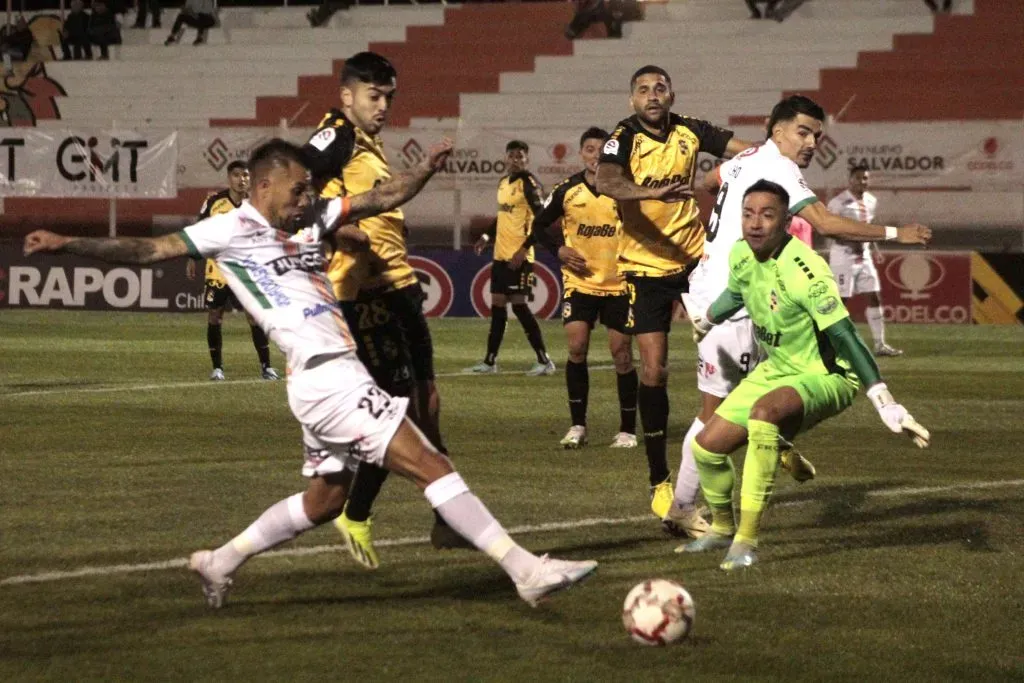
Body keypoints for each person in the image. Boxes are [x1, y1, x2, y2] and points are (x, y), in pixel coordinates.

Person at [23, 138, 598, 610]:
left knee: (324, 502)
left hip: (320, 378)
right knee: (430, 463)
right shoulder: (229, 230)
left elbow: (380, 197)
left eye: (308, 190)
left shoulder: (309, 221)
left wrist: (423, 168)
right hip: (330, 380)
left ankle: (219, 561)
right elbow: (149, 251)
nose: (306, 198)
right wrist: (67, 242)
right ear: (262, 184)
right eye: (297, 188)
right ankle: (525, 571)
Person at [667, 95, 931, 538]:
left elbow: (710, 183)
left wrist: (717, 230)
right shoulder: (780, 169)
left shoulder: (748, 155)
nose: (811, 143)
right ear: (778, 131)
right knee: (717, 413)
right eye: (803, 132)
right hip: (731, 302)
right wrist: (896, 233)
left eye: (817, 135)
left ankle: (776, 441)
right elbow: (826, 223)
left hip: (716, 291)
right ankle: (682, 508)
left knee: (774, 380)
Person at [300, 51, 463, 570]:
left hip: (399, 283)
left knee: (427, 401)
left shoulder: (366, 143)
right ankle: (359, 510)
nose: (384, 105)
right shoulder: (335, 137)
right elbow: (297, 194)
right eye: (375, 96)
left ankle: (443, 515)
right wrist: (341, 231)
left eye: (389, 96)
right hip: (362, 292)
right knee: (395, 408)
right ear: (346, 96)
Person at [594, 64, 754, 521]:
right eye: (643, 89)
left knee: (737, 353)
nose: (652, 95)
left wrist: (768, 157)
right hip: (646, 269)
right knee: (654, 370)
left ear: (670, 94)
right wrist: (651, 192)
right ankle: (659, 480)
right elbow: (607, 180)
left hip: (696, 263)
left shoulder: (690, 129)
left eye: (659, 88)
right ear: (632, 100)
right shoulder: (622, 137)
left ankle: (767, 433)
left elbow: (747, 151)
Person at [528, 127, 638, 450]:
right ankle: (578, 426)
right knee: (576, 348)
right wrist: (559, 250)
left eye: (602, 150)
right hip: (580, 283)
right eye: (590, 150)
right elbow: (537, 226)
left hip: (619, 282)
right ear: (582, 154)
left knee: (622, 355)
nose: (595, 156)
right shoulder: (567, 191)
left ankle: (627, 429)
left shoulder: (622, 189)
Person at [467, 140, 556, 377]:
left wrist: (524, 249)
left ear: (527, 160)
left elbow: (541, 221)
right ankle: (489, 361)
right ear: (505, 158)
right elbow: (502, 216)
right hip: (500, 255)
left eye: (521, 156)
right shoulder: (503, 183)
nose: (516, 160)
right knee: (497, 305)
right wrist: (486, 236)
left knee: (518, 305)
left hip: (519, 256)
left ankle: (544, 360)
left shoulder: (529, 184)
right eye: (512, 156)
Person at [185, 161, 280, 381]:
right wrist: (192, 257)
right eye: (237, 175)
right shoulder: (213, 202)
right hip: (218, 270)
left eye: (245, 175)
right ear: (229, 178)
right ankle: (217, 368)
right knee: (215, 316)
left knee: (255, 317)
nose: (242, 179)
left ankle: (266, 366)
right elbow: (199, 230)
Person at [827, 165, 902, 356]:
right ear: (850, 180)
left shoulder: (871, 201)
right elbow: (829, 230)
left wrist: (875, 247)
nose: (863, 182)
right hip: (843, 257)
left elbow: (867, 228)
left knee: (874, 296)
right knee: (840, 301)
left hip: (865, 256)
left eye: (865, 178)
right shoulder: (838, 203)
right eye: (859, 178)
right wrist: (853, 239)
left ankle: (880, 344)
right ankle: (831, 344)